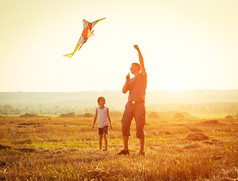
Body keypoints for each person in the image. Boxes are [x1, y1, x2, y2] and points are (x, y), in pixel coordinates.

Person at [118, 44, 147, 156]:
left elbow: (142, 61)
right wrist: (126, 80)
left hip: (139, 105)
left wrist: (138, 50)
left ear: (138, 68)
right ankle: (126, 150)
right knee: (125, 126)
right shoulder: (130, 80)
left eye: (133, 66)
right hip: (129, 105)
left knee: (139, 128)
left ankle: (142, 151)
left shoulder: (142, 76)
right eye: (130, 66)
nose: (131, 68)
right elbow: (124, 91)